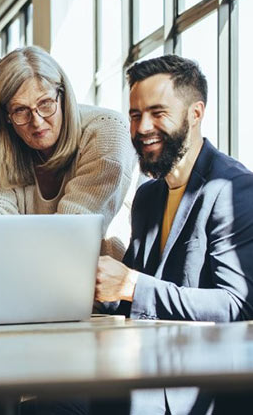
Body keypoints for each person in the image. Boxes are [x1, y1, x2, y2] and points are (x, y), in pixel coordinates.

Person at [0, 45, 136, 323]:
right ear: (5, 117)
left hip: (106, 305)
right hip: (35, 300)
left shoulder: (107, 132)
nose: (37, 121)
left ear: (63, 95)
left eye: (46, 103)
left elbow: (68, 239)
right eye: (20, 110)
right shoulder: (7, 150)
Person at [93, 55, 253, 415]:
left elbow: (237, 306)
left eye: (157, 112)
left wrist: (132, 285)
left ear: (195, 113)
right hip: (146, 367)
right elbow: (129, 298)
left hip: (201, 386)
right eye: (135, 115)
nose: (142, 127)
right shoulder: (149, 196)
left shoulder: (233, 189)